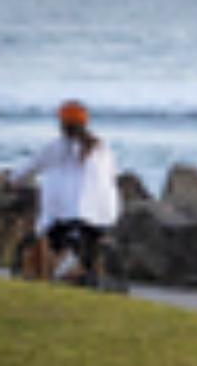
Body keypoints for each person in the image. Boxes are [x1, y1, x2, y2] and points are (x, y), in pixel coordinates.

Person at [14, 100, 122, 280]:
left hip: (72, 215)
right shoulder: (102, 147)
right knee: (87, 241)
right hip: (106, 214)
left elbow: (29, 168)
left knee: (55, 237)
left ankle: (66, 271)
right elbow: (112, 175)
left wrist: (11, 182)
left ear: (62, 124)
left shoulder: (57, 148)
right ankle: (86, 270)